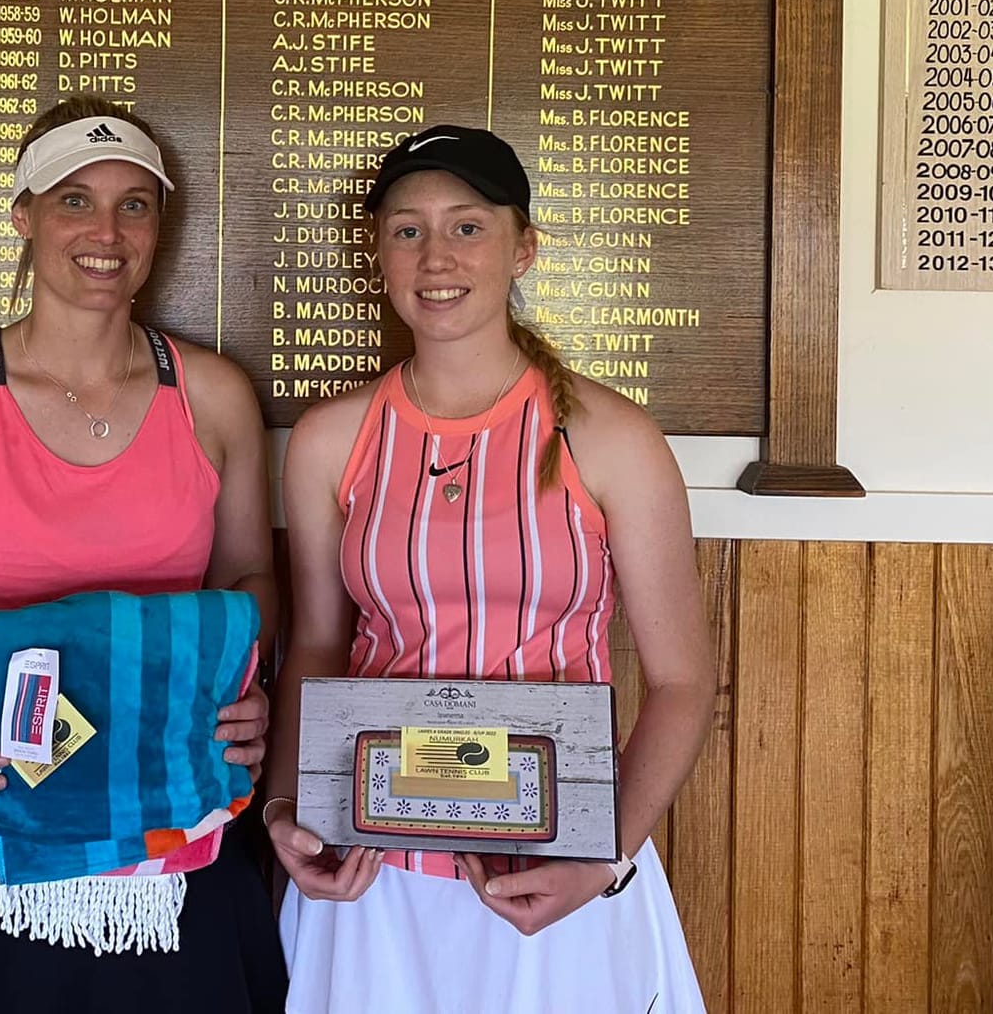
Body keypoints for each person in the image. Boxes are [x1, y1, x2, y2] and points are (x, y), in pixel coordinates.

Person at [0, 95, 287, 1012]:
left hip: (170, 809)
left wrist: (252, 687)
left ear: (160, 225)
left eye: (134, 204)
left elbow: (249, 581)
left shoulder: (216, 397)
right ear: (25, 218)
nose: (105, 231)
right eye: (74, 200)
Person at [263, 124, 716, 1013]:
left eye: (468, 226)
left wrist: (605, 856)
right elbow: (317, 646)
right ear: (380, 256)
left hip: (555, 869)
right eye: (407, 229)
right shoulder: (330, 440)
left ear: (523, 249)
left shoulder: (612, 439)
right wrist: (289, 809)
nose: (437, 255)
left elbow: (682, 680)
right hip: (373, 866)